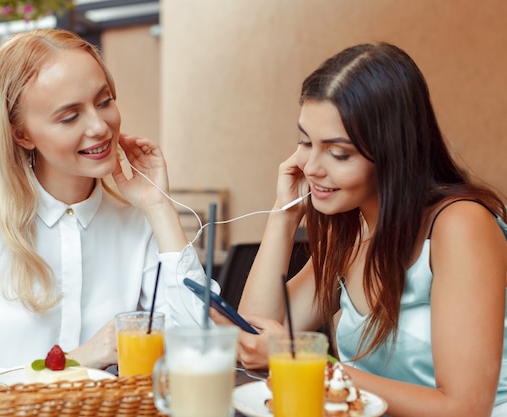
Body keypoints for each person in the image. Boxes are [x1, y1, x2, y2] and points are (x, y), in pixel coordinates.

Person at [213, 42, 507, 417]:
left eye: (338, 153)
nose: (312, 167)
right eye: (305, 142)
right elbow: (258, 339)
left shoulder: (461, 226)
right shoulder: (350, 236)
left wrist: (306, 362)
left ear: (393, 153)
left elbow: (464, 407)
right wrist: (283, 215)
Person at [0, 28, 216, 385]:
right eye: (69, 116)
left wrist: (158, 205)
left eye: (104, 101)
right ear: (22, 134)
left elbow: (200, 348)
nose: (99, 126)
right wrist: (74, 361)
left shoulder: (137, 218)